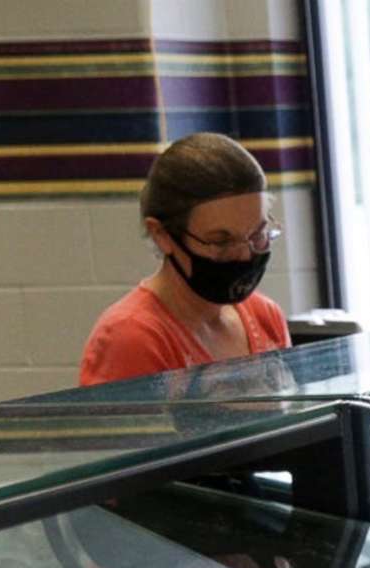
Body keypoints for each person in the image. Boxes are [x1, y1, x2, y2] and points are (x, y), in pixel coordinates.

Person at [79, 133, 291, 387]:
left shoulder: (264, 315)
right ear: (162, 235)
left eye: (258, 234)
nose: (244, 255)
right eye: (220, 241)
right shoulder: (131, 337)